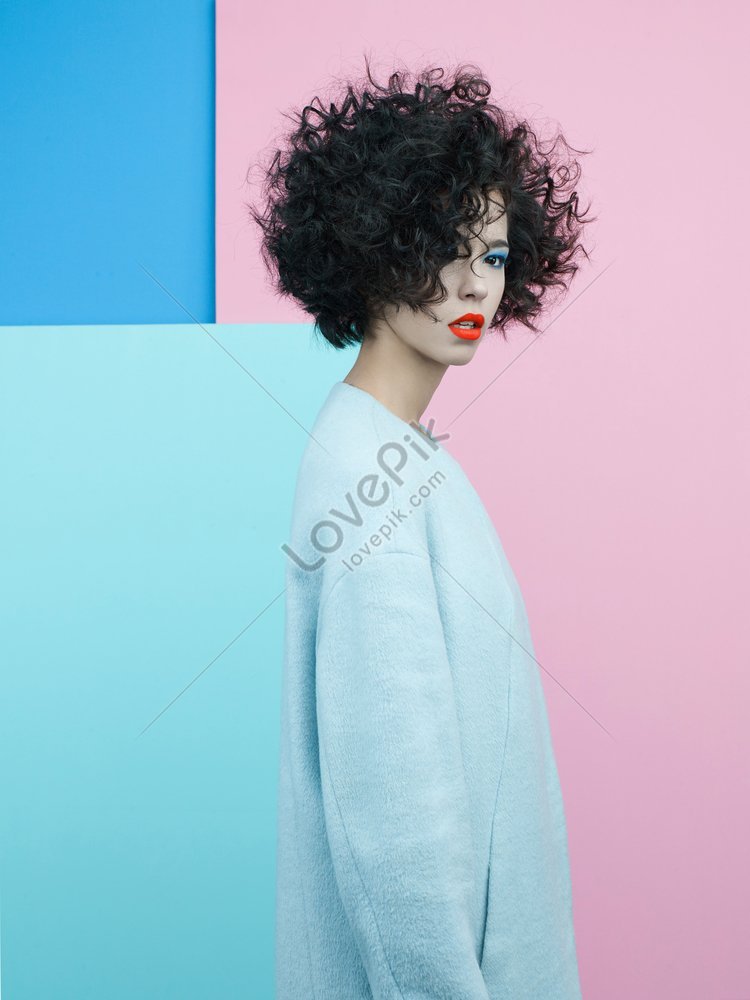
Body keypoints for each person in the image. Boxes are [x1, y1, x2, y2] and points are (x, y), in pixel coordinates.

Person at [248, 57, 595, 999]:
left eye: (490, 253)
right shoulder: (370, 474)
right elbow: (395, 823)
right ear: (368, 249)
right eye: (437, 245)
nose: (470, 283)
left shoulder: (401, 453)